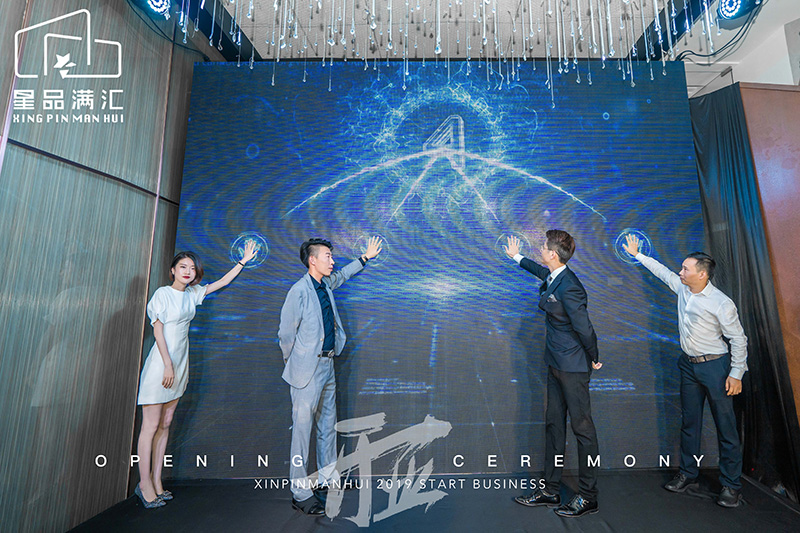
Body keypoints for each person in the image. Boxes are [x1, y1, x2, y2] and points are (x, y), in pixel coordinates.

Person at [623, 234, 747, 508]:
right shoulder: (682, 288)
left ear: (702, 274)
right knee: (689, 423)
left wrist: (736, 373)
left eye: (685, 269)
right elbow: (661, 272)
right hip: (688, 366)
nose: (680, 272)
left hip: (716, 368)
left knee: (725, 427)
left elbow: (739, 340)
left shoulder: (721, 303)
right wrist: (638, 254)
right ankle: (688, 473)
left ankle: (731, 485)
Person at [134, 241, 257, 508]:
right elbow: (158, 332)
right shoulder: (162, 294)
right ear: (172, 270)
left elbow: (222, 282)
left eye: (192, 268)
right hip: (161, 365)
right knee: (150, 426)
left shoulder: (193, 294)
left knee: (166, 423)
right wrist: (167, 365)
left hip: (181, 364)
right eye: (183, 267)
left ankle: (157, 481)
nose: (188, 271)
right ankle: (143, 484)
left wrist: (243, 261)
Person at [278, 236, 382, 515]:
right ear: (312, 260)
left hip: (328, 365)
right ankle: (300, 492)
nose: (332, 261)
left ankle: (327, 479)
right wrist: (294, 362)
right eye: (328, 256)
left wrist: (365, 258)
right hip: (305, 370)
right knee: (302, 433)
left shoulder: (325, 284)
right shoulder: (299, 291)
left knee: (327, 426)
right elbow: (285, 334)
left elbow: (343, 275)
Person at [505, 231, 603, 518]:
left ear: (552, 254)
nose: (540, 249)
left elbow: (584, 328)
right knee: (554, 426)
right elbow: (540, 272)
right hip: (556, 364)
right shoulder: (555, 275)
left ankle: (588, 496)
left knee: (582, 429)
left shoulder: (570, 286)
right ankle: (550, 490)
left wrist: (594, 356)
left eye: (543, 247)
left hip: (573, 368)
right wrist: (517, 257)